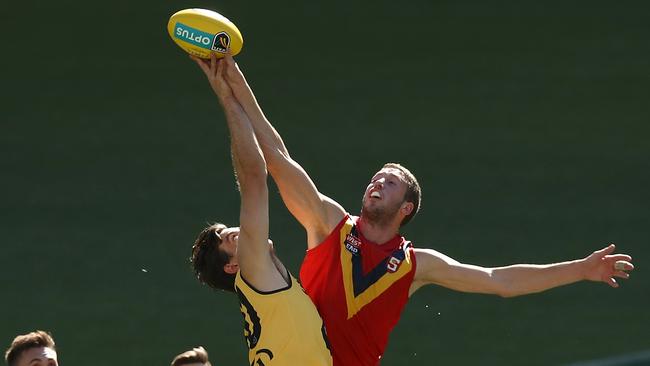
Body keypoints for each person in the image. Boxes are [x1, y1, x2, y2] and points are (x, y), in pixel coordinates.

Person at [212, 53, 635, 366]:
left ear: (406, 207)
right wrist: (236, 82)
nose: (377, 182)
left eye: (390, 181)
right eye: (375, 177)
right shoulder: (329, 225)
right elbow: (280, 161)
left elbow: (498, 281)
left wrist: (581, 269)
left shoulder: (415, 265)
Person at [188, 53, 332, 366]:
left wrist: (235, 82)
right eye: (229, 238)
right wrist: (226, 98)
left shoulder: (266, 288)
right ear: (232, 266)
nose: (240, 230)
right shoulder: (253, 270)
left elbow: (277, 155)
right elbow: (254, 178)